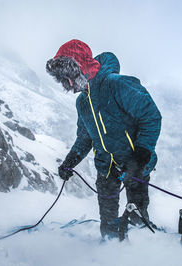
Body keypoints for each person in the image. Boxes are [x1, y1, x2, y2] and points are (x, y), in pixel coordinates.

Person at [46, 39, 161, 240]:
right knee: (107, 225)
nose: (70, 84)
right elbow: (85, 138)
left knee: (137, 218)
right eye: (65, 80)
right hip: (106, 168)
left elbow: (150, 116)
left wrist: (141, 154)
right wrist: (69, 162)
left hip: (135, 164)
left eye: (70, 77)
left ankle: (144, 250)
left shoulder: (117, 85)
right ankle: (110, 251)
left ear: (81, 66)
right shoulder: (82, 103)